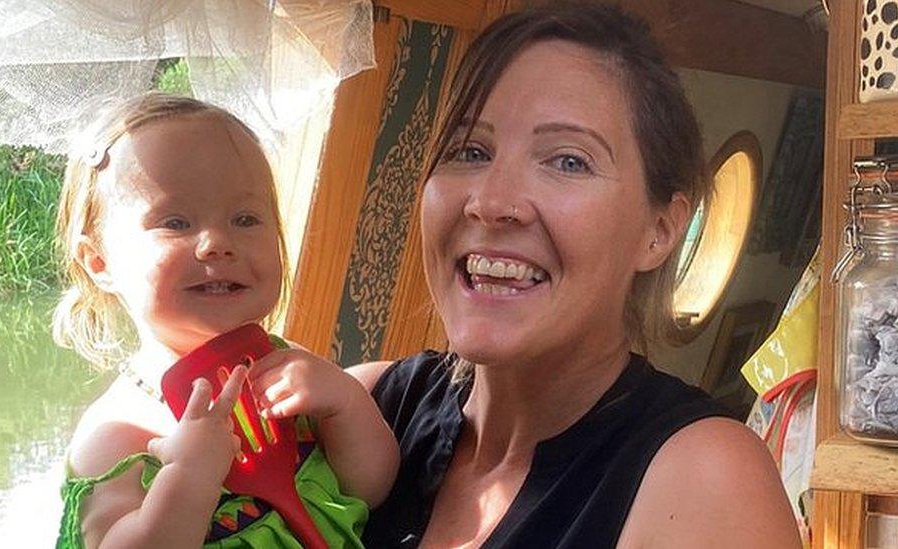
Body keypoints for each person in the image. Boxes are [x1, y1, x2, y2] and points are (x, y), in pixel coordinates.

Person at [342, 3, 802, 548]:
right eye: (470, 149)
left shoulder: (703, 481)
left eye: (567, 161)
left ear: (658, 230)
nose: (491, 202)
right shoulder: (365, 409)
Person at [53, 92, 398, 548]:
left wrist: (345, 404)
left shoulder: (288, 370)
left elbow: (368, 491)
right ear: (100, 262)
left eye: (245, 218)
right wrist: (188, 478)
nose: (217, 242)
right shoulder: (117, 434)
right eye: (175, 222)